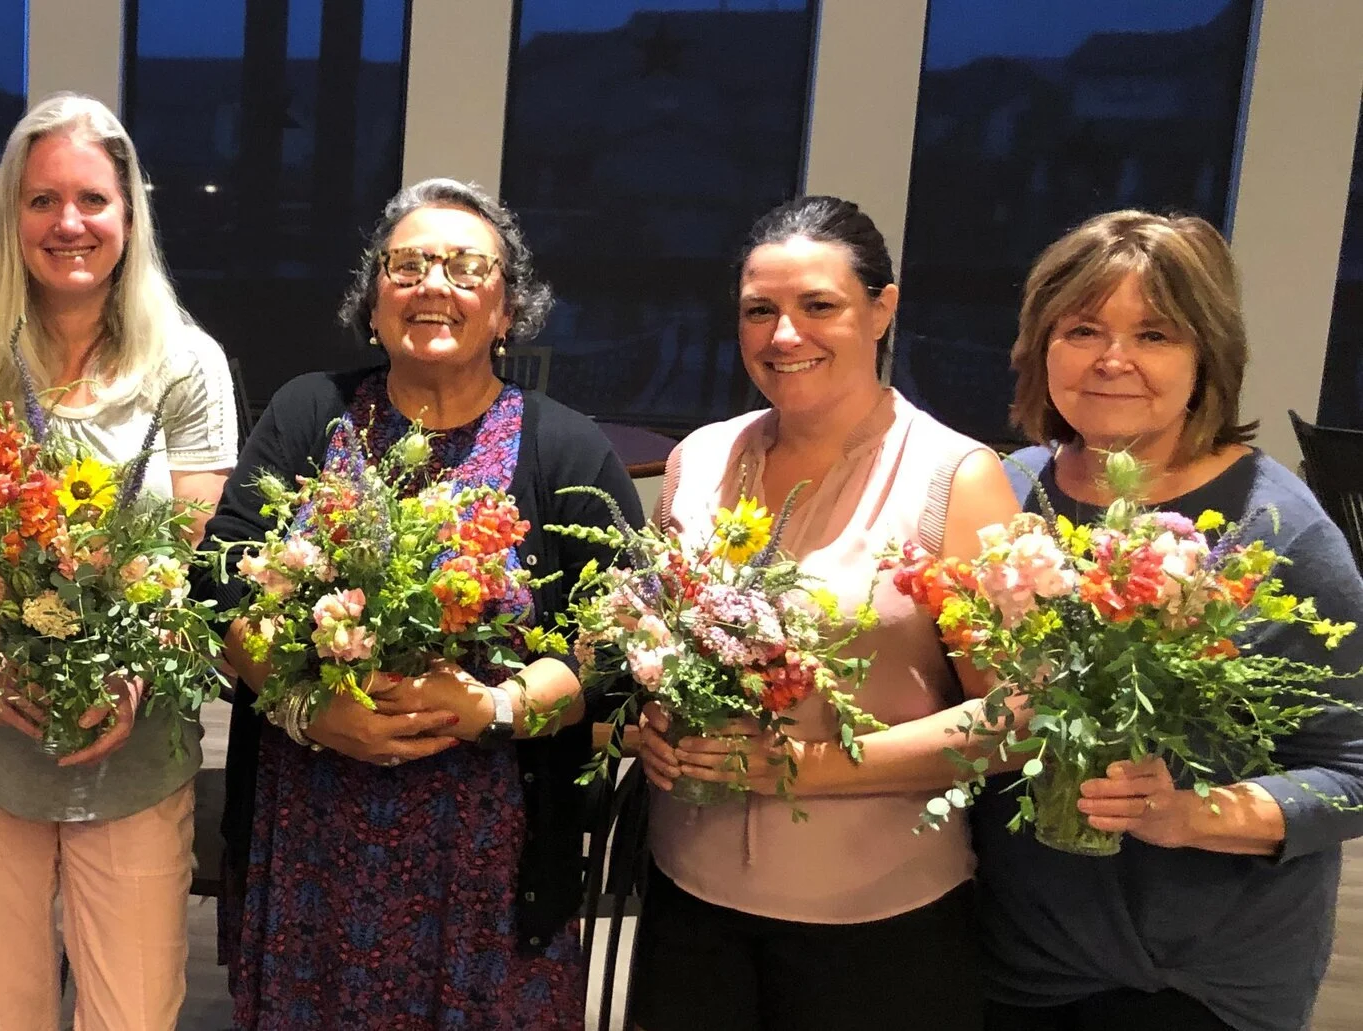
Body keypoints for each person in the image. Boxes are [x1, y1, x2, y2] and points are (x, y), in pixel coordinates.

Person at [205, 176, 640, 1030]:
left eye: (466, 266)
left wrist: (501, 707)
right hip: (311, 850)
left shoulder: (566, 447)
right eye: (408, 265)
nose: (434, 284)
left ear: (508, 310)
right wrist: (308, 707)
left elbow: (624, 639)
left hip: (491, 869)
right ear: (372, 302)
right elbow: (219, 585)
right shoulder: (310, 414)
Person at [625, 196, 1023, 1031]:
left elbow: (1013, 718)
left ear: (883, 308)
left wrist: (802, 766)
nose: (783, 336)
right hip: (689, 904)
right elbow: (646, 644)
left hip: (878, 920)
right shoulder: (700, 460)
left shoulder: (956, 478)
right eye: (759, 311)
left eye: (819, 307)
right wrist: (647, 722)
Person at [0, 92, 238, 1030]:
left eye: (92, 198)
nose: (69, 223)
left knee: (132, 1009)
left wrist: (126, 677)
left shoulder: (188, 363)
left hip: (133, 747)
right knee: (5, 1009)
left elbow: (180, 562)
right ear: (13, 216)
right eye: (42, 200)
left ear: (129, 215)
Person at [979, 210, 1363, 1031]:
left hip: (1189, 985)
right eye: (1083, 328)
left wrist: (1185, 813)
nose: (1113, 359)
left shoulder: (1279, 529)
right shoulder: (1005, 495)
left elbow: (1354, 772)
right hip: (1008, 956)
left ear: (1208, 357)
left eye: (1154, 334)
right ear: (1041, 347)